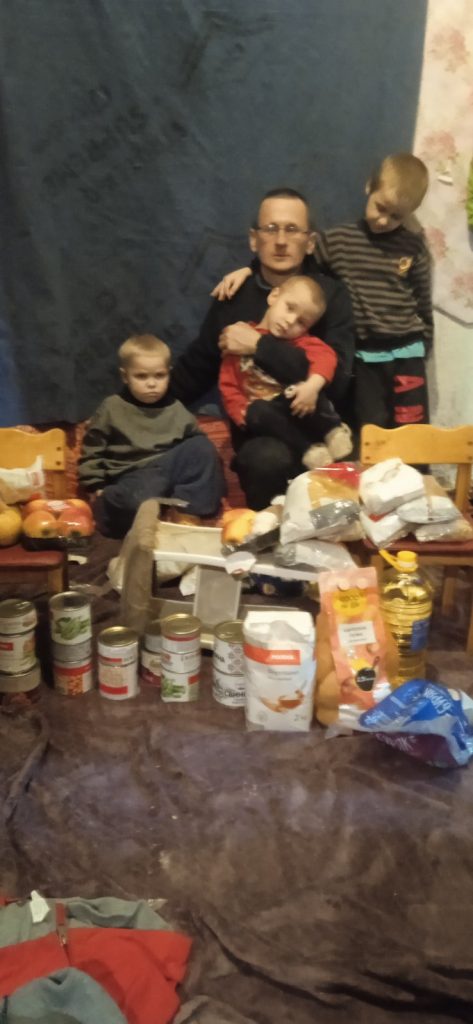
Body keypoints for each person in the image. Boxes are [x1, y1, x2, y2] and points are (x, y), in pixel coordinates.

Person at [217, 157, 432, 433]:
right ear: (369, 187)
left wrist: (424, 344)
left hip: (408, 351)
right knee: (370, 428)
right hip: (365, 356)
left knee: (414, 426)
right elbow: (294, 263)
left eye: (396, 216)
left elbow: (423, 301)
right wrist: (250, 270)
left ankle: (417, 464)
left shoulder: (413, 247)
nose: (383, 220)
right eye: (380, 208)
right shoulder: (338, 240)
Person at [171, 188, 355, 509]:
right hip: (261, 434)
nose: (281, 241)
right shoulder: (233, 296)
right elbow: (196, 368)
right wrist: (139, 405)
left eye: (292, 229)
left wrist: (258, 345)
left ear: (310, 242)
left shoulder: (329, 297)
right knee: (266, 458)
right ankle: (268, 532)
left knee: (351, 452)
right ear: (254, 240)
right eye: (271, 229)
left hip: (318, 424)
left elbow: (337, 380)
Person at [78, 334, 224, 537]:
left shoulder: (176, 409)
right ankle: (117, 510)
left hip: (167, 472)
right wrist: (95, 485)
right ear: (125, 376)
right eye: (141, 376)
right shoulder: (112, 407)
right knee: (134, 500)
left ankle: (188, 514)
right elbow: (93, 449)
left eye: (159, 376)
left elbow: (196, 453)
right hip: (131, 479)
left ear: (169, 374)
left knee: (201, 446)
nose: (152, 384)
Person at [219, 275, 352, 469]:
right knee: (257, 410)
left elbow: (327, 359)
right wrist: (242, 414)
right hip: (266, 417)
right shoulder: (239, 338)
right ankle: (309, 451)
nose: (290, 321)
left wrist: (312, 387)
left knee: (306, 389)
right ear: (274, 296)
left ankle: (333, 431)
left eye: (301, 323)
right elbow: (228, 385)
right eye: (289, 308)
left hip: (299, 409)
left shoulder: (303, 342)